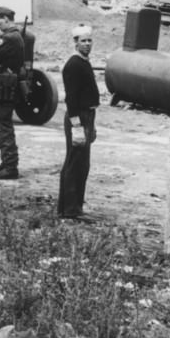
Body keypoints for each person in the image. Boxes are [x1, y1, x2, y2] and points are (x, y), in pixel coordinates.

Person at [59, 24, 100, 219]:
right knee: (75, 163)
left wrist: (92, 125)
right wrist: (77, 126)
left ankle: (74, 207)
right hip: (79, 117)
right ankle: (69, 209)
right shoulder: (73, 65)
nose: (87, 44)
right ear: (75, 43)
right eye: (83, 41)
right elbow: (71, 99)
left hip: (87, 116)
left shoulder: (84, 62)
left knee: (82, 164)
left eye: (89, 40)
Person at [0, 6, 24, 180]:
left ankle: (10, 167)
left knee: (3, 127)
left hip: (3, 86)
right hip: (4, 85)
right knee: (1, 126)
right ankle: (6, 162)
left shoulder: (10, 38)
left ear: (6, 19)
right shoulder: (15, 36)